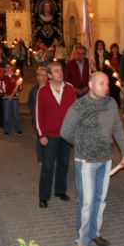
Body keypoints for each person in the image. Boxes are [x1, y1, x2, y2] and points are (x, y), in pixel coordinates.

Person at [60, 72, 124, 246]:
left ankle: (95, 233)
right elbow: (65, 131)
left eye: (107, 84)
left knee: (100, 200)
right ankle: (82, 241)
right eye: (101, 83)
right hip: (86, 162)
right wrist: (82, 145)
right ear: (91, 85)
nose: (106, 87)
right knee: (87, 202)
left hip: (106, 159)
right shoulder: (79, 106)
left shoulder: (111, 103)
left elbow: (117, 128)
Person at [35, 62, 77, 208]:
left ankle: (60, 191)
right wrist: (41, 134)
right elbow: (38, 113)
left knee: (64, 164)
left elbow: (75, 111)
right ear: (50, 75)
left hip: (66, 135)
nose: (60, 73)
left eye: (60, 70)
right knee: (48, 166)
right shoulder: (43, 91)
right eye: (56, 71)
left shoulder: (70, 88)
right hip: (50, 135)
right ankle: (44, 196)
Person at [28, 67, 48, 164]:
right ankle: (41, 158)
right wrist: (35, 113)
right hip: (38, 120)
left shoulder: (51, 88)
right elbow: (30, 104)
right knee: (40, 139)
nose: (43, 78)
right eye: (41, 75)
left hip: (49, 118)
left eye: (45, 75)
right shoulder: (34, 90)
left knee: (50, 139)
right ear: (37, 77)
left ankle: (49, 156)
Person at [0, 63, 23, 137]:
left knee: (15, 114)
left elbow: (20, 88)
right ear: (5, 69)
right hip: (6, 98)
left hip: (15, 97)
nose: (8, 69)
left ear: (12, 68)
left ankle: (17, 129)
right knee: (6, 114)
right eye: (6, 67)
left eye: (9, 67)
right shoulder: (2, 78)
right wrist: (7, 95)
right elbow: (0, 89)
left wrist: (18, 88)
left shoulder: (17, 77)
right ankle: (6, 130)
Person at [107, 43, 122, 107]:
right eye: (113, 48)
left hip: (117, 75)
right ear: (111, 49)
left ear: (117, 49)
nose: (114, 49)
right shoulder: (109, 56)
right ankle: (111, 104)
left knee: (117, 90)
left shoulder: (120, 56)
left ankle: (117, 104)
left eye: (116, 48)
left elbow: (122, 66)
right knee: (111, 90)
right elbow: (106, 66)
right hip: (110, 75)